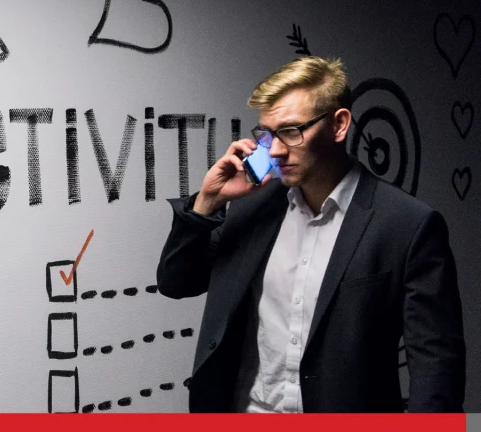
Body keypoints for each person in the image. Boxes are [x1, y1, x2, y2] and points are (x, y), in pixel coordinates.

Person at [156, 56, 465, 413]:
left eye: (291, 131)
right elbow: (176, 282)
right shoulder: (252, 207)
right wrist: (208, 200)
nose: (274, 150)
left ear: (339, 125)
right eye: (268, 135)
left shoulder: (407, 226)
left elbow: (437, 369)